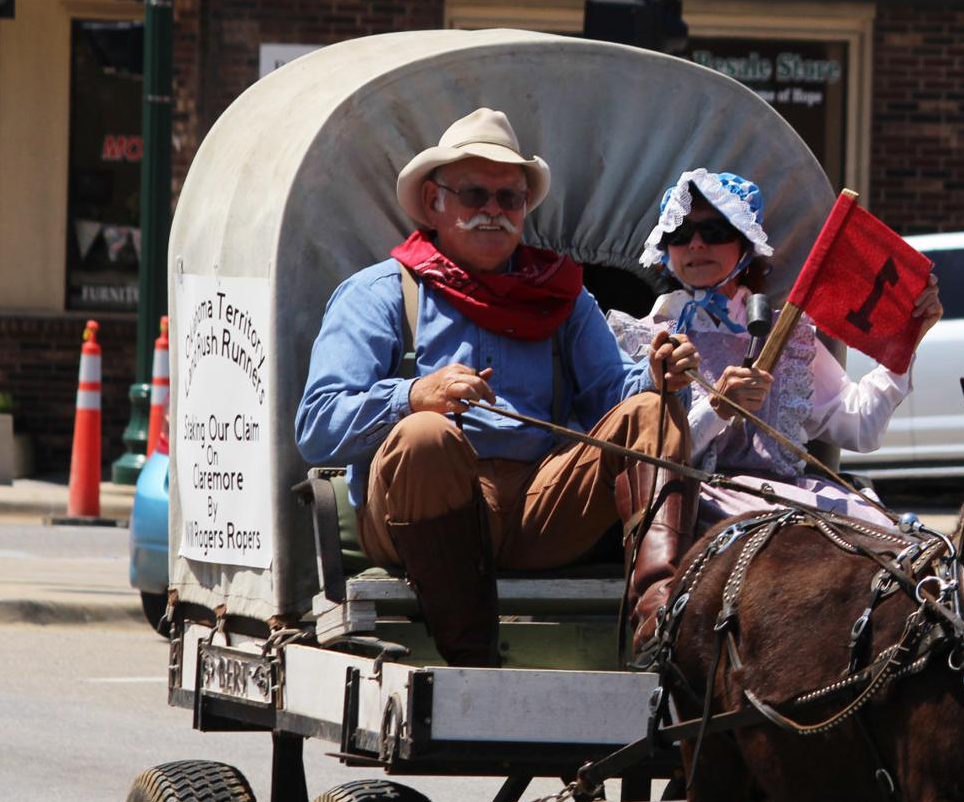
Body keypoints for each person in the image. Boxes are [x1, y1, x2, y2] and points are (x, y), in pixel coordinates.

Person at [295, 108, 700, 665]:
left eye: (509, 198)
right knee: (425, 435)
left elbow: (615, 393)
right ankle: (472, 662)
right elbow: (317, 427)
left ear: (525, 209)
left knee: (654, 412)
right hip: (419, 510)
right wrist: (413, 396)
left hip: (539, 504)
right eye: (474, 195)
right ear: (435, 202)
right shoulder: (380, 293)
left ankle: (661, 627)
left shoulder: (562, 297)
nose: (493, 211)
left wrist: (658, 376)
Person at [608, 168, 943, 553]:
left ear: (745, 246)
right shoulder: (644, 339)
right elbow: (641, 461)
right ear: (666, 251)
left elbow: (860, 427)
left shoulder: (786, 336)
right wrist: (718, 408)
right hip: (700, 509)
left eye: (715, 232)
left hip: (789, 499)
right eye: (680, 235)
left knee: (897, 548)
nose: (696, 245)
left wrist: (908, 338)